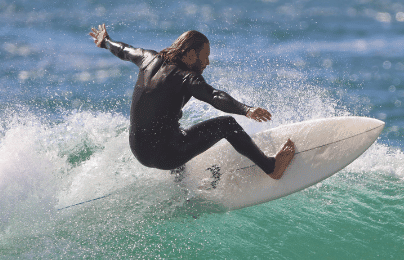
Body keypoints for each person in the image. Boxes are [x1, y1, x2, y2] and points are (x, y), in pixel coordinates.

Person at [89, 24, 295, 180]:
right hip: (165, 155)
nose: (207, 63)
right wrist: (246, 110)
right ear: (189, 54)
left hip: (139, 151)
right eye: (204, 57)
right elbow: (214, 96)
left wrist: (105, 41)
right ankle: (271, 167)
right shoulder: (186, 77)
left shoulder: (148, 58)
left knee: (170, 130)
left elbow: (124, 50)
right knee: (227, 125)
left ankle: (182, 187)